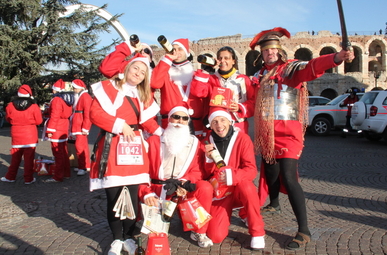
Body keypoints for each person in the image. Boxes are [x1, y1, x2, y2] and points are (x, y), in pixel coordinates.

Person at [250, 27, 355, 250]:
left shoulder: (291, 69)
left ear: (279, 51)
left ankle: (303, 230)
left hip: (288, 134)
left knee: (288, 176)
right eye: (266, 50)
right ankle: (275, 204)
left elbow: (312, 67)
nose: (270, 53)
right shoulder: (259, 76)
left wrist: (336, 57)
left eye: (273, 49)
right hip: (267, 133)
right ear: (262, 53)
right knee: (269, 170)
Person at [89, 54, 162, 255]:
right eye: (135, 69)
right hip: (112, 148)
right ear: (127, 68)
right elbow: (95, 114)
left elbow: (147, 122)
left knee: (131, 196)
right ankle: (116, 239)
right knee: (113, 197)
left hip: (134, 150)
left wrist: (163, 135)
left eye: (142, 72)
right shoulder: (109, 89)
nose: (138, 74)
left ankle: (129, 237)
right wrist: (120, 125)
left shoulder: (142, 95)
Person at [139, 105, 214, 248]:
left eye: (184, 118)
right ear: (169, 119)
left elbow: (197, 171)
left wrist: (184, 183)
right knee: (155, 233)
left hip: (181, 190)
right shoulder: (153, 141)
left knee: (205, 187)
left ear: (188, 121)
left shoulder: (194, 143)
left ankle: (199, 231)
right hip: (157, 189)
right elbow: (141, 172)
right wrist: (146, 193)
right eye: (176, 117)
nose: (179, 121)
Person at [201, 108, 265, 250]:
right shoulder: (206, 142)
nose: (219, 125)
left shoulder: (242, 139)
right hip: (221, 193)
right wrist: (208, 159)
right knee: (216, 236)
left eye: (222, 120)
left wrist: (232, 176)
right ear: (210, 125)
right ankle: (234, 214)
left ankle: (257, 232)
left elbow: (251, 169)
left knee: (247, 187)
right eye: (215, 122)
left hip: (239, 188)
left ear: (230, 121)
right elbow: (204, 174)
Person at [191, 46, 256, 134]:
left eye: (226, 58)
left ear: (233, 61)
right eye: (220, 58)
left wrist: (239, 107)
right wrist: (207, 70)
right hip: (217, 127)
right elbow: (197, 92)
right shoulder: (211, 79)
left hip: (238, 125)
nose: (222, 61)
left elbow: (254, 101)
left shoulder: (244, 79)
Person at [151, 38, 206, 138]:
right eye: (173, 49)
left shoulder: (196, 76)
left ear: (186, 52)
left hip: (195, 125)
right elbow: (154, 83)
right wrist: (167, 58)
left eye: (180, 49)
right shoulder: (165, 74)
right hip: (170, 124)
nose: (176, 52)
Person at [1, 85, 42, 184]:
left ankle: (11, 176)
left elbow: (8, 119)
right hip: (30, 133)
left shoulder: (10, 105)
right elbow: (39, 121)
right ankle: (28, 178)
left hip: (16, 133)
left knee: (15, 158)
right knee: (29, 159)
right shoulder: (34, 106)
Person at [43, 79, 74, 183]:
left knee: (57, 153)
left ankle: (58, 175)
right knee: (63, 152)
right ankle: (66, 173)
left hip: (57, 127)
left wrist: (50, 130)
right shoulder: (67, 99)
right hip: (64, 126)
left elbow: (54, 116)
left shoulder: (57, 100)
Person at [70, 79, 93, 176]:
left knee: (79, 147)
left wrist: (85, 127)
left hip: (80, 125)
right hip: (79, 124)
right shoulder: (83, 96)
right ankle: (85, 165)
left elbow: (88, 113)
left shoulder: (85, 97)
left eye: (74, 88)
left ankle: (82, 167)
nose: (73, 89)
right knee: (83, 147)